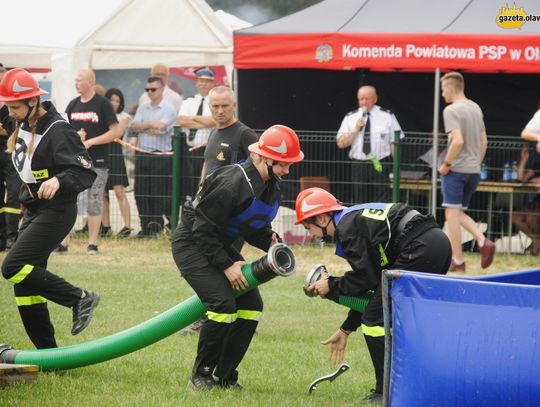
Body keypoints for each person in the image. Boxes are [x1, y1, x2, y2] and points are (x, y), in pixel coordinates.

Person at [171, 125, 304, 390]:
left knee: (252, 305)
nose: (287, 170)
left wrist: (269, 240)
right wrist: (227, 265)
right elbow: (202, 229)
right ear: (266, 158)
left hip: (215, 243)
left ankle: (225, 376)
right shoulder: (231, 183)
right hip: (192, 243)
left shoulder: (270, 184)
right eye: (284, 164)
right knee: (221, 305)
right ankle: (202, 376)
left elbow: (250, 224)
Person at [296, 187, 451, 404]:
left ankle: (384, 392)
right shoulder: (353, 220)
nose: (309, 234)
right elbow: (374, 289)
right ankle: (423, 383)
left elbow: (364, 279)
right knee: (408, 320)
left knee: (374, 321)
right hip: (437, 243)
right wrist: (346, 329)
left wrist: (331, 284)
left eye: (307, 227)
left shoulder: (348, 228)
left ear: (321, 218)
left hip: (418, 248)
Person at [0, 68, 100, 349]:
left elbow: (86, 173)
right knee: (25, 287)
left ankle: (81, 298)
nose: (11, 112)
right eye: (7, 106)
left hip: (57, 212)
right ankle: (50, 356)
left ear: (34, 101)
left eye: (15, 106)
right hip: (33, 209)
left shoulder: (59, 130)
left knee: (12, 267)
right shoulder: (18, 119)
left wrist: (59, 179)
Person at [180, 85, 259, 336]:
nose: (220, 111)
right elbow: (208, 165)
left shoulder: (245, 134)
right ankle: (233, 313)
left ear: (234, 105)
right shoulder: (214, 132)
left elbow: (260, 170)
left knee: (220, 264)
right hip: (209, 212)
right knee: (218, 264)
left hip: (231, 216)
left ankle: (222, 315)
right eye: (215, 106)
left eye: (225, 106)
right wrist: (200, 194)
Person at [439, 71, 495, 272]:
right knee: (457, 212)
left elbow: (458, 140)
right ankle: (481, 242)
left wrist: (446, 164)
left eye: (443, 89)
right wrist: (476, 163)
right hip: (473, 169)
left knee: (451, 213)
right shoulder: (475, 107)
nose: (443, 94)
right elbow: (484, 141)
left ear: (451, 88)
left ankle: (459, 259)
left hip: (456, 169)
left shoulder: (451, 111)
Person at [64, 69, 122, 254]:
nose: (76, 83)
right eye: (75, 80)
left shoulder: (102, 104)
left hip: (98, 160)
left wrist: (91, 141)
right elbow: (64, 130)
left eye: (79, 80)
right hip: (75, 162)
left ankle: (92, 243)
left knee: (94, 200)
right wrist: (76, 137)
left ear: (89, 81)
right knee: (68, 199)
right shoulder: (72, 105)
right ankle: (63, 242)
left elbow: (116, 131)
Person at [336, 85, 404, 203]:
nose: (364, 102)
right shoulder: (350, 117)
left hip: (378, 162)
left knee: (381, 197)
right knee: (360, 199)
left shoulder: (387, 116)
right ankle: (362, 221)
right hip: (359, 164)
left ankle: (379, 221)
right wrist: (356, 129)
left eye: (367, 98)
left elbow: (395, 142)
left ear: (375, 99)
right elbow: (341, 143)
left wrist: (396, 166)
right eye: (361, 99)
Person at [131, 76, 176, 237]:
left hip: (160, 156)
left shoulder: (169, 108)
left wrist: (145, 126)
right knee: (141, 192)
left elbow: (162, 126)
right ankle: (145, 226)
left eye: (153, 89)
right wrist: (151, 125)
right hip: (143, 154)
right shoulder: (143, 107)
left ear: (162, 89)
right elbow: (135, 125)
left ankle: (156, 227)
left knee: (158, 193)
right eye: (147, 90)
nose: (150, 92)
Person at [177, 67, 216, 200]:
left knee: (205, 185)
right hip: (190, 151)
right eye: (201, 80)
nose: (204, 84)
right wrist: (204, 122)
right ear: (196, 82)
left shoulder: (216, 102)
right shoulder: (189, 101)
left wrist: (193, 117)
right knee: (190, 187)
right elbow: (182, 121)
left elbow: (214, 121)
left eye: (207, 81)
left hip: (208, 150)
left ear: (212, 83)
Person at [101, 88, 132, 237]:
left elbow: (118, 132)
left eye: (117, 101)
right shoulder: (101, 115)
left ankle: (127, 226)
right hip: (102, 154)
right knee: (102, 192)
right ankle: (106, 227)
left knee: (120, 191)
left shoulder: (124, 117)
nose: (114, 103)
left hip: (116, 156)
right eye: (111, 100)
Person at [0, 63, 22, 251]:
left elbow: (15, 128)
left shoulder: (10, 101)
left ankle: (11, 239)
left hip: (10, 153)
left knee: (14, 197)